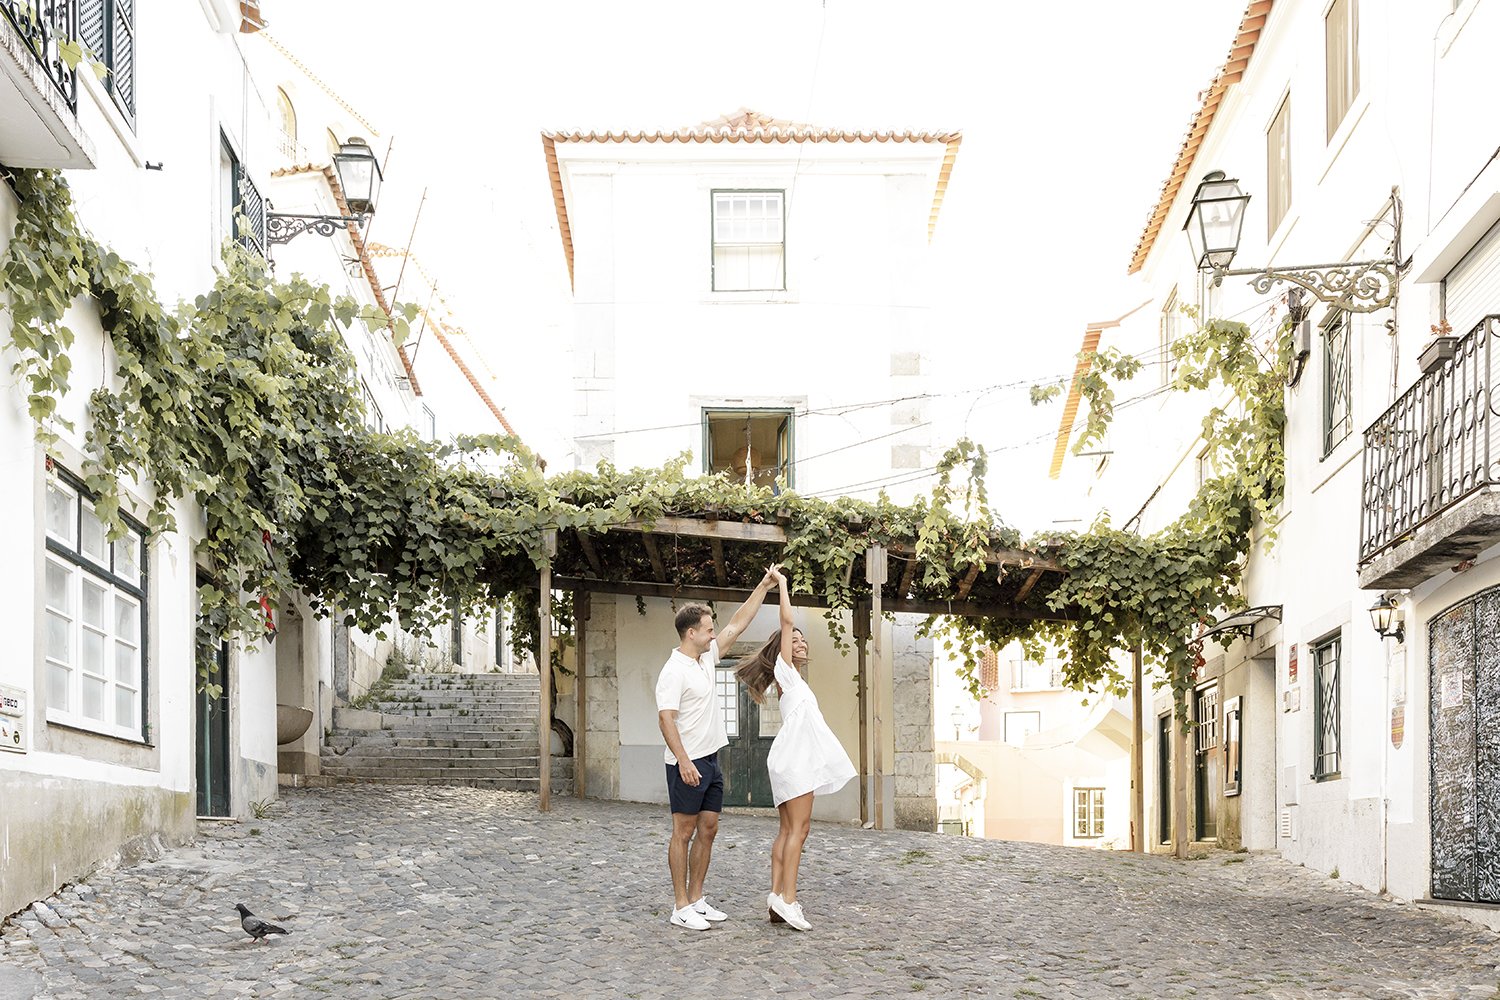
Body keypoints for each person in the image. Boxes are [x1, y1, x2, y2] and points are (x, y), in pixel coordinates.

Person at [656, 566, 779, 931]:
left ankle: (697, 898)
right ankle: (680, 906)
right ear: (691, 633)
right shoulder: (673, 670)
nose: (714, 633)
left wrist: (764, 584)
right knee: (683, 832)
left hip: (711, 759)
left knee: (708, 828)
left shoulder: (706, 658)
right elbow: (666, 719)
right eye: (708, 629)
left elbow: (738, 623)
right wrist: (683, 761)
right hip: (687, 763)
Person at [734, 567, 856, 932]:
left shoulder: (792, 680)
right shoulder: (785, 671)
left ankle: (776, 898)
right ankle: (788, 899)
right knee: (798, 831)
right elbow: (786, 620)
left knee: (788, 831)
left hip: (789, 758)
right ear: (782, 649)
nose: (801, 644)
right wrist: (783, 585)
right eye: (795, 641)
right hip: (795, 760)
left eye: (804, 642)